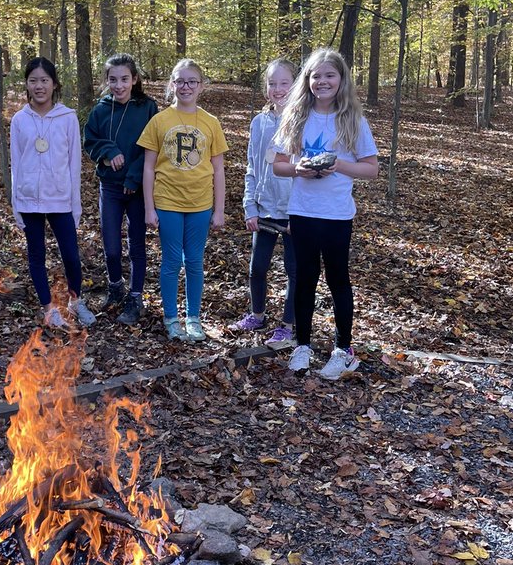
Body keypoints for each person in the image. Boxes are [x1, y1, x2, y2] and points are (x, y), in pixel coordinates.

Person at [272, 47, 378, 379]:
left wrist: (337, 165)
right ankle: (302, 346)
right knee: (304, 279)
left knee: (337, 279)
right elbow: (277, 164)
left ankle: (342, 350)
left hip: (336, 214)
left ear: (341, 79)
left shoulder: (353, 119)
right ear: (307, 81)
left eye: (330, 75)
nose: (322, 81)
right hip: (302, 211)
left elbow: (372, 168)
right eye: (316, 76)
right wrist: (298, 168)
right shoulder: (296, 115)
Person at [138, 59, 228, 342]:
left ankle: (193, 318)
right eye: (180, 81)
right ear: (172, 85)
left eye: (192, 81)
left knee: (195, 261)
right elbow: (149, 167)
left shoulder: (210, 123)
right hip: (168, 202)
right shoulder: (159, 121)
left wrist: (219, 210)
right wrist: (149, 208)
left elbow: (218, 169)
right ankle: (171, 317)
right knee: (171, 261)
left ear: (201, 86)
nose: (185, 86)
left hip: (200, 204)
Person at [10, 56, 96, 328]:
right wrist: (15, 203)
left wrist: (75, 203)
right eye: (33, 80)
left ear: (54, 84)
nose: (39, 86)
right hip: (29, 199)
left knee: (71, 254)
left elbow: (74, 163)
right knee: (36, 255)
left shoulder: (67, 117)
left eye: (44, 80)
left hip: (60, 197)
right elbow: (15, 162)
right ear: (26, 84)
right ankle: (48, 308)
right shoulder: (19, 120)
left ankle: (75, 300)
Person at [83, 53, 159, 325]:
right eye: (113, 80)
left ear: (134, 80)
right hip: (110, 188)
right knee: (112, 246)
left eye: (124, 79)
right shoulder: (101, 109)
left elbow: (153, 148)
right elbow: (90, 140)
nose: (118, 85)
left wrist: (133, 179)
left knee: (137, 245)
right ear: (107, 81)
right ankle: (115, 286)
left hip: (137, 189)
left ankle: (135, 296)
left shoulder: (148, 108)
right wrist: (108, 151)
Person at [234, 58, 298, 349]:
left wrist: (300, 211)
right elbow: (252, 166)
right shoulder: (259, 123)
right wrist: (250, 206)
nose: (278, 88)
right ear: (265, 88)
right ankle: (257, 314)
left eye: (284, 83)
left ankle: (287, 324)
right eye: (273, 83)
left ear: (295, 85)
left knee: (293, 271)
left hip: (294, 212)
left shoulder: (303, 123)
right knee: (257, 268)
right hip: (264, 209)